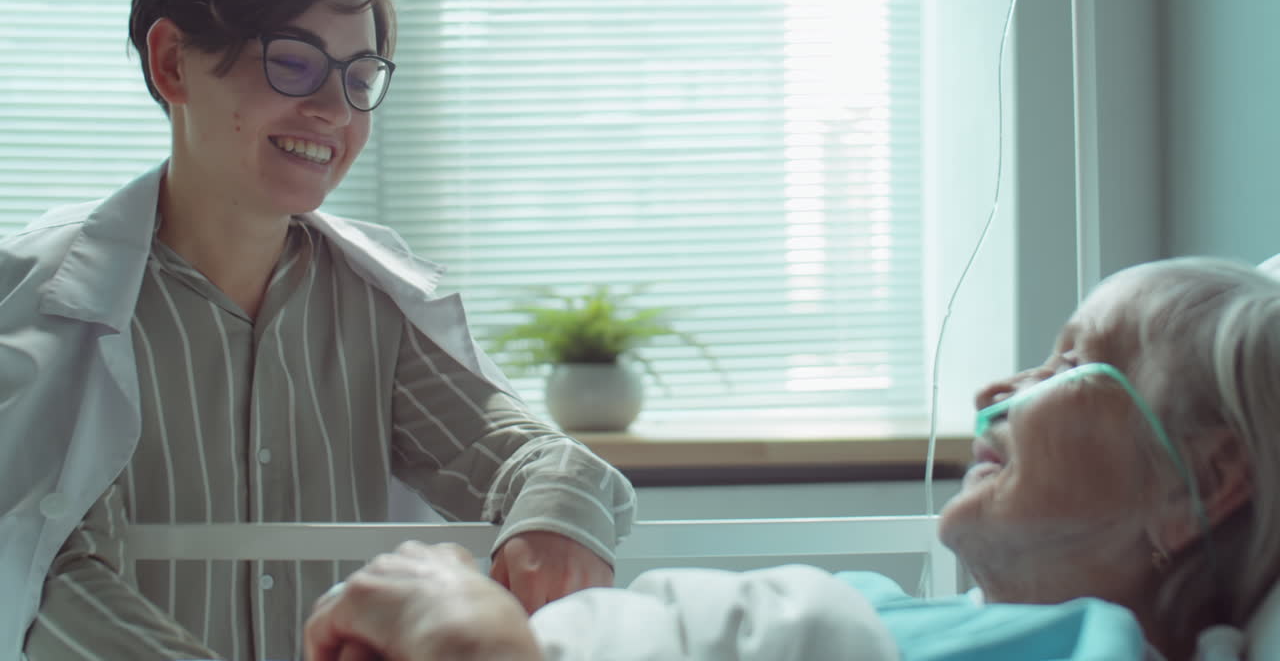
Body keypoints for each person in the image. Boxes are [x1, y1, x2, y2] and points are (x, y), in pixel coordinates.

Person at [0, 0, 637, 659]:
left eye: (360, 77)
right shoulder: (41, 304)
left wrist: (555, 511)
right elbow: (48, 578)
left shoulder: (374, 306)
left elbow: (527, 460)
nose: (335, 110)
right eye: (293, 62)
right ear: (173, 62)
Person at [303, 257, 1280, 661]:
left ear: (1204, 479)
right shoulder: (899, 606)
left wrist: (475, 635)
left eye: (1076, 361)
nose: (996, 392)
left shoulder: (1083, 653)